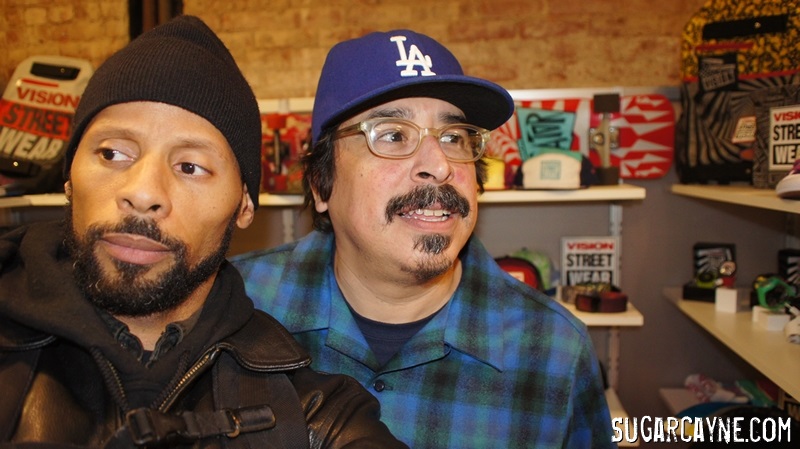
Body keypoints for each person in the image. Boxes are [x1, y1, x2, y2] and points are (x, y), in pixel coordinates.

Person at [0, 16, 407, 449]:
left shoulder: (313, 413)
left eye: (190, 166)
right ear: (69, 179)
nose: (143, 192)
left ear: (243, 206)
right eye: (112, 153)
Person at [233, 29, 615, 448]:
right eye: (393, 135)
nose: (440, 165)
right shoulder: (232, 307)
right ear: (322, 185)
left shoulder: (554, 351)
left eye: (453, 138)